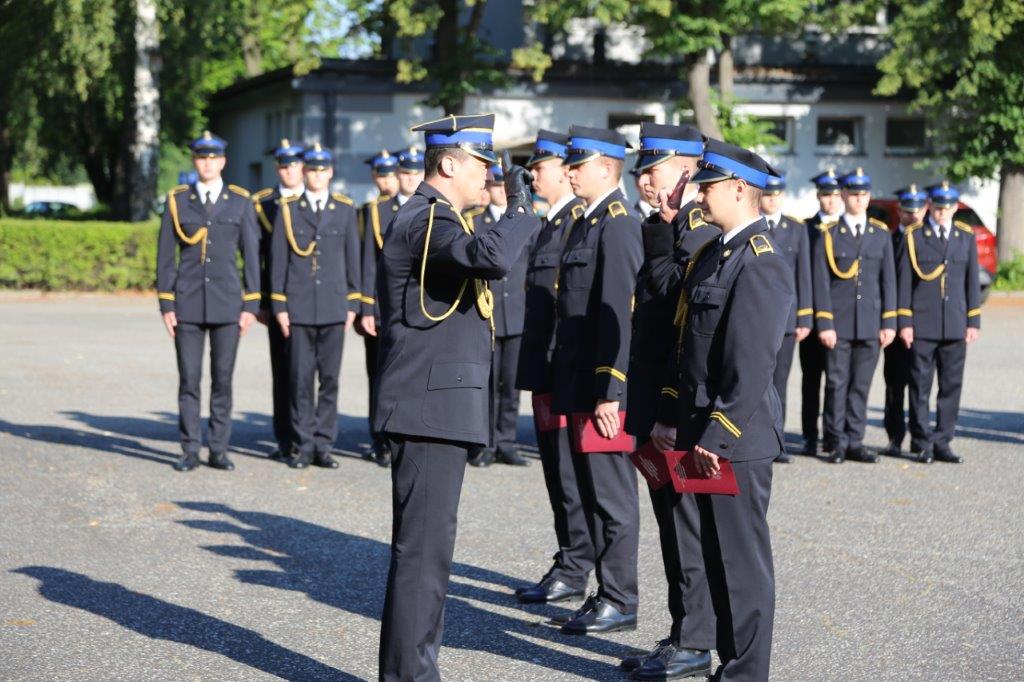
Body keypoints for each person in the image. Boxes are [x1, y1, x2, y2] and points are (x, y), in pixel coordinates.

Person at [373, 114, 540, 681]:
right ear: (448, 163)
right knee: (422, 558)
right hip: (427, 409)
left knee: (429, 557)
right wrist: (521, 209)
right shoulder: (426, 219)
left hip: (437, 407)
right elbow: (489, 258)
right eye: (481, 164)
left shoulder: (438, 218)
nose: (489, 176)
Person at [645, 139, 792, 681]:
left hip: (732, 440)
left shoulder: (761, 260)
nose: (699, 194)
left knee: (741, 565)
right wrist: (671, 415)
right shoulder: (714, 253)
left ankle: (746, 672)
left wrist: (716, 434)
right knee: (714, 557)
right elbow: (687, 345)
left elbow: (751, 365)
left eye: (707, 186)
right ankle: (728, 666)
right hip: (699, 431)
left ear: (738, 189)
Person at [621, 122, 721, 675]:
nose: (643, 181)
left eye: (651, 170)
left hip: (677, 409)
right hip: (656, 405)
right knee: (671, 525)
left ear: (687, 169)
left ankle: (696, 640)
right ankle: (683, 631)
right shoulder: (666, 224)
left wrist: (663, 412)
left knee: (687, 527)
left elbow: (679, 322)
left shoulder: (700, 230)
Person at [549, 125, 642, 635]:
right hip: (580, 385)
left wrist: (612, 391)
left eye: (577, 165)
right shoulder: (588, 223)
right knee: (589, 493)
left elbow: (618, 314)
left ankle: (621, 597)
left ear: (606, 167)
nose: (569, 172)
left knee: (612, 498)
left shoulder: (618, 224)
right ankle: (605, 591)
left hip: (605, 390)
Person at [513, 130, 591, 604]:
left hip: (565, 370)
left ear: (565, 171)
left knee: (570, 473)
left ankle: (578, 564)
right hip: (544, 369)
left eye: (539, 166)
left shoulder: (576, 224)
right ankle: (569, 558)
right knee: (555, 472)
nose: (533, 174)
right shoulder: (549, 223)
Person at [156, 131, 261, 472]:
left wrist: (250, 305)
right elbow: (165, 258)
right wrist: (167, 304)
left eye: (213, 158)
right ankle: (189, 448)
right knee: (189, 380)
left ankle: (218, 448)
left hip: (228, 304)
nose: (207, 163)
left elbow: (251, 255)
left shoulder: (240, 201)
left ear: (223, 162)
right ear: (195, 161)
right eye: (202, 158)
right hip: (187, 303)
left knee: (222, 380)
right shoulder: (178, 201)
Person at [269, 144, 361, 470]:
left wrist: (353, 301)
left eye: (323, 170)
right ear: (304, 172)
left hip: (335, 307)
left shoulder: (345, 209)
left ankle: (324, 444)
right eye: (312, 170)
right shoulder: (288, 209)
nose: (317, 175)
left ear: (330, 172)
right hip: (299, 307)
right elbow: (279, 261)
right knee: (300, 379)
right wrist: (279, 305)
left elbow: (353, 259)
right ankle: (303, 444)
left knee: (330, 380)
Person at [812, 168, 897, 464]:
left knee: (861, 385)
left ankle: (856, 441)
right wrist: (825, 322)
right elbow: (820, 282)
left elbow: (889, 282)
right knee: (836, 384)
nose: (858, 199)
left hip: (871, 324)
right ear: (844, 195)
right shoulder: (830, 234)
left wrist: (889, 322)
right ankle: (836, 442)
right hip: (839, 323)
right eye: (853, 194)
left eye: (863, 194)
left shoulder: (880, 234)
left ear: (869, 196)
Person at [897, 181, 981, 464]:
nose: (943, 212)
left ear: (955, 208)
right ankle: (921, 442)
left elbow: (972, 283)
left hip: (955, 324)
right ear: (930, 207)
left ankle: (943, 440)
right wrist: (905, 321)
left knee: (951, 386)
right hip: (922, 324)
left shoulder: (965, 237)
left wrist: (973, 321)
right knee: (919, 386)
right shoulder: (914, 237)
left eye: (948, 208)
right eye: (938, 207)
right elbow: (904, 284)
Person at [465, 163, 530, 467]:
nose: (498, 191)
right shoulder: (474, 222)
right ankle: (486, 443)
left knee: (512, 383)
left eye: (503, 187)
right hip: (487, 313)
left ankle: (507, 441)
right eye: (493, 186)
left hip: (516, 311)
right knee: (488, 384)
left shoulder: (524, 223)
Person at [252, 139, 305, 461]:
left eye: (294, 165)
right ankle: (284, 436)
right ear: (277, 169)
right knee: (283, 369)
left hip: (313, 297)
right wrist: (260, 300)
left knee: (312, 371)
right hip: (277, 296)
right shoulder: (263, 203)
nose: (289, 171)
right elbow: (257, 254)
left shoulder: (318, 201)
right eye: (283, 166)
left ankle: (307, 435)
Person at [759, 174, 813, 463]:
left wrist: (805, 317)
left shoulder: (796, 229)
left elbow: (804, 275)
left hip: (788, 321)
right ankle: (755, 440)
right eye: (768, 194)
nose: (772, 199)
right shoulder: (753, 226)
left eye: (777, 194)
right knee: (755, 381)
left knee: (780, 383)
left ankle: (777, 441)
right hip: (759, 318)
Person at [358, 150, 401, 467]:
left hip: (411, 308)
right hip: (382, 306)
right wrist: (367, 305)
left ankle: (400, 435)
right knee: (379, 376)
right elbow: (367, 263)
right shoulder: (375, 211)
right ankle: (380, 438)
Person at [799, 169, 844, 456]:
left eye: (835, 195)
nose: (830, 201)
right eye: (826, 195)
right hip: (810, 319)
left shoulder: (845, 229)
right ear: (818, 197)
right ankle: (809, 437)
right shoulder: (805, 229)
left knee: (837, 381)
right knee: (811, 381)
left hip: (836, 319)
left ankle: (832, 436)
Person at [882, 184, 929, 458]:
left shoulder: (928, 240)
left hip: (920, 325)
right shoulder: (889, 239)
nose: (912, 216)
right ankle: (895, 437)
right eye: (907, 211)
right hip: (894, 324)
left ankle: (921, 439)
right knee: (894, 385)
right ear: (899, 211)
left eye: (917, 211)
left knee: (920, 384)